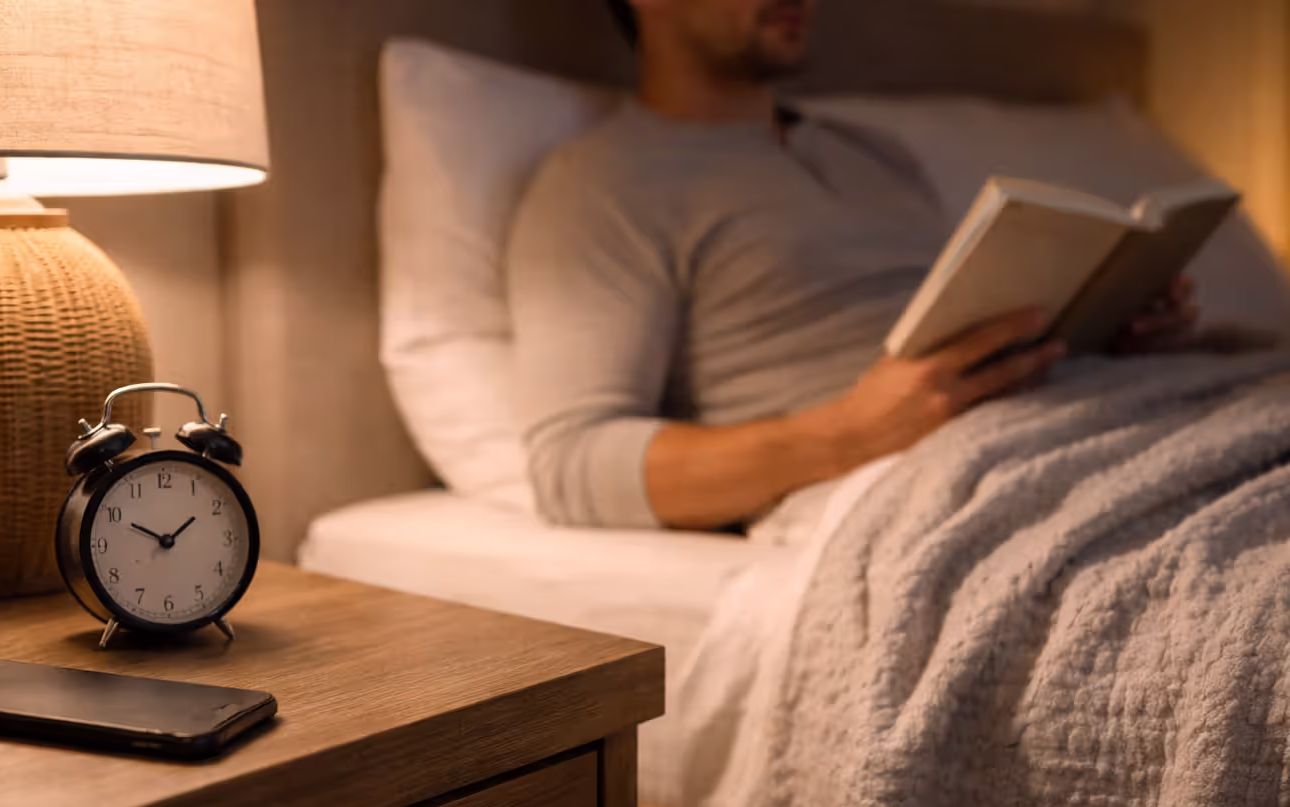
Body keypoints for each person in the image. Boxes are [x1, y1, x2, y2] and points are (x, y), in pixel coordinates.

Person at [507, 0, 1200, 530]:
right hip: (933, 483)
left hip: (1082, 422)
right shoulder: (604, 182)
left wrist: (1100, 329)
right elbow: (570, 464)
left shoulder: (874, 152)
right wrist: (847, 436)